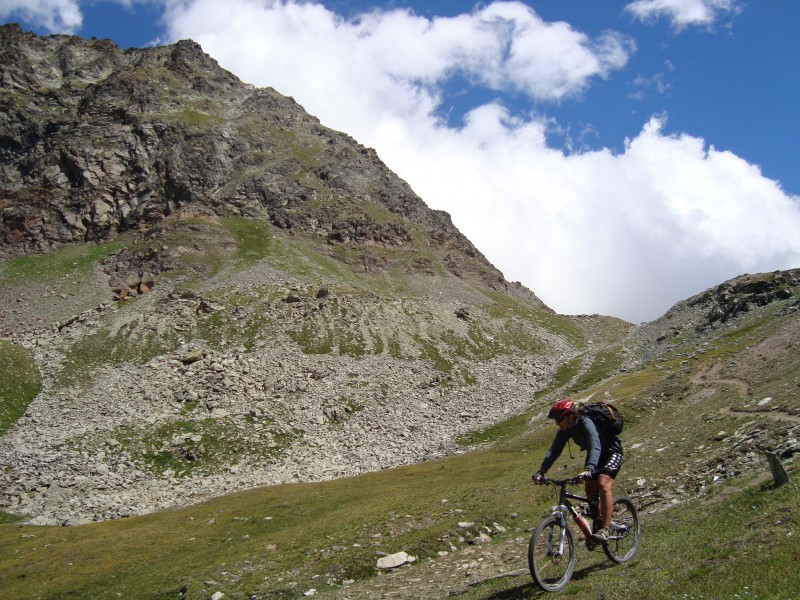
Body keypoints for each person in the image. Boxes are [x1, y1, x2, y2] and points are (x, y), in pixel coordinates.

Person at [532, 398, 623, 543]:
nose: (557, 422)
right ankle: (599, 523)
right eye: (556, 419)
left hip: (611, 451)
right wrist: (542, 470)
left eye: (559, 418)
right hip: (594, 458)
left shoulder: (586, 422)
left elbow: (595, 445)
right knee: (590, 491)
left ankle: (605, 529)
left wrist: (589, 469)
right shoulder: (565, 430)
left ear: (570, 416)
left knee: (603, 485)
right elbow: (554, 451)